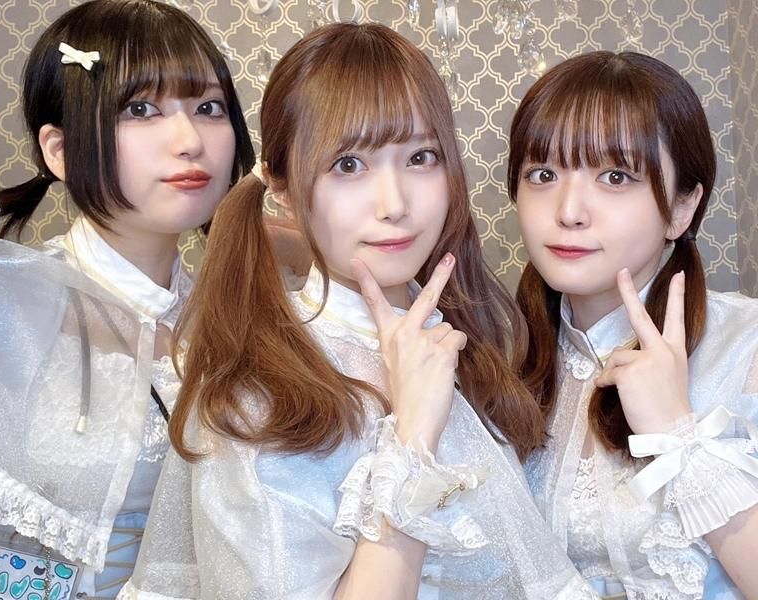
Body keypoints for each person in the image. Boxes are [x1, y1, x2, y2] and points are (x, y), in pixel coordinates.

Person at [120, 22, 594, 600]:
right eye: (348, 165)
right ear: (283, 188)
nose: (394, 205)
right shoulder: (256, 393)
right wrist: (413, 441)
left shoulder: (469, 342)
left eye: (421, 157)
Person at [0, 0, 254, 597]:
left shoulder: (247, 322)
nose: (189, 140)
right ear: (60, 151)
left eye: (208, 107)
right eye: (140, 109)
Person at [510, 50, 758, 599]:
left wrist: (677, 431)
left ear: (682, 208)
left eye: (615, 176)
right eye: (543, 174)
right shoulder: (501, 364)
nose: (569, 211)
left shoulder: (745, 346)